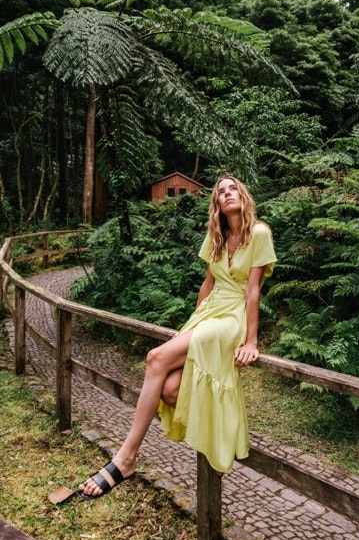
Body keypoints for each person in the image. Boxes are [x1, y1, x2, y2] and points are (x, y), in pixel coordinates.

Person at [51, 176, 277, 502]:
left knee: (155, 358)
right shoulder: (216, 237)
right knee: (170, 390)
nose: (227, 194)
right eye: (221, 191)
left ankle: (126, 457)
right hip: (208, 314)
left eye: (233, 189)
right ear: (216, 203)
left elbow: (253, 291)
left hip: (232, 318)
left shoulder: (259, 233)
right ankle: (213, 432)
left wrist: (251, 342)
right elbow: (207, 285)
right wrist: (191, 327)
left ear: (243, 196)